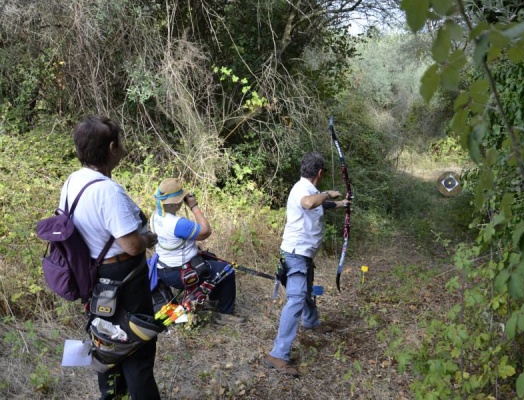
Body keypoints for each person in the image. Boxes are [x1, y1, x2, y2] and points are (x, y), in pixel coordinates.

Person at [60, 116, 161, 400]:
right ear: (113, 147)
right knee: (137, 348)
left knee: (105, 343)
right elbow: (130, 245)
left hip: (94, 278)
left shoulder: (73, 181)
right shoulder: (108, 191)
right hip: (124, 280)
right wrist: (149, 239)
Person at [264, 152, 350, 377]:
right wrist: (327, 193)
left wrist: (339, 203)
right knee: (296, 299)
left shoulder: (309, 189)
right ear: (319, 173)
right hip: (295, 254)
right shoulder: (304, 190)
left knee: (306, 290)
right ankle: (278, 354)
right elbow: (309, 202)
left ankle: (311, 322)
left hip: (302, 254)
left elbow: (317, 204)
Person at [151, 178, 245, 324]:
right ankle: (224, 314)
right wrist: (194, 207)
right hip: (179, 273)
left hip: (163, 268)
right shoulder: (178, 223)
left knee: (212, 260)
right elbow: (206, 231)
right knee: (227, 269)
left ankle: (214, 300)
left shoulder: (155, 216)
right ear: (177, 202)